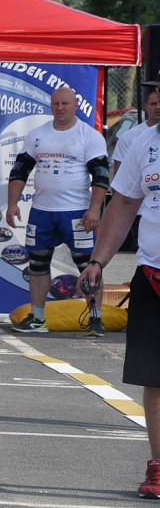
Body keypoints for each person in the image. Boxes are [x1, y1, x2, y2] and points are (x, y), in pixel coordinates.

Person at [75, 90, 159, 499]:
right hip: (153, 275)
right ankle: (158, 467)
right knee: (155, 379)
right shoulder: (144, 140)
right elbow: (124, 204)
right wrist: (97, 262)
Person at [6, 87, 109, 336]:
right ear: (50, 105)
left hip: (76, 213)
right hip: (42, 212)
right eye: (55, 103)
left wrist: (94, 208)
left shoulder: (89, 135)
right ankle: (38, 318)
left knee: (88, 264)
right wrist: (12, 203)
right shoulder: (37, 135)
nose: (60, 108)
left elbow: (101, 175)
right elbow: (20, 170)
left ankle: (95, 318)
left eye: (65, 103)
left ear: (75, 105)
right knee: (38, 263)